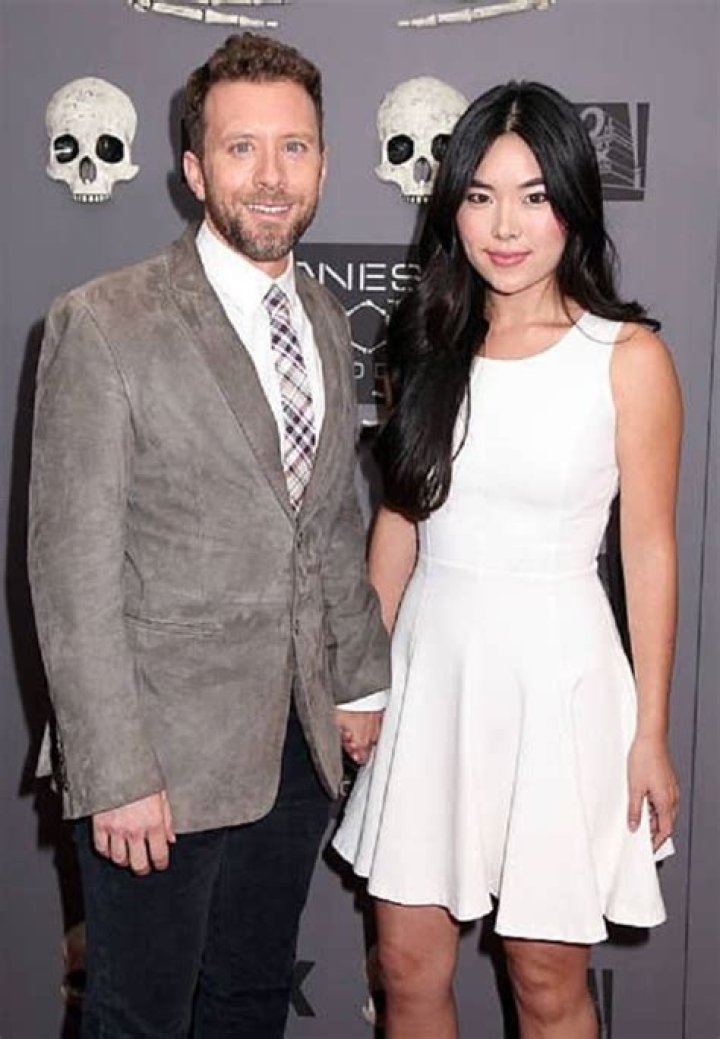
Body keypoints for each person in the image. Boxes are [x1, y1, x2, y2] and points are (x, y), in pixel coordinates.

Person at [29, 32, 390, 1038]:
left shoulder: (323, 317)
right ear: (194, 170)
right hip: (158, 755)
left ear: (323, 163)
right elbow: (71, 570)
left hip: (295, 742)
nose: (271, 176)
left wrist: (359, 680)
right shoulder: (106, 322)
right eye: (242, 149)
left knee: (249, 997)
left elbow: (330, 518)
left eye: (293, 147)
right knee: (138, 1015)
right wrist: (115, 771)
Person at [333, 80, 681, 1039]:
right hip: (431, 677)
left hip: (558, 686)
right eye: (481, 196)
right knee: (407, 969)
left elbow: (649, 549)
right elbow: (401, 520)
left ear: (574, 203)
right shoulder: (427, 341)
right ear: (452, 206)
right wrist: (362, 676)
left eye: (534, 196)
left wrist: (651, 731)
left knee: (545, 981)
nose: (505, 226)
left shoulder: (627, 357)